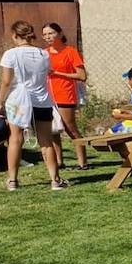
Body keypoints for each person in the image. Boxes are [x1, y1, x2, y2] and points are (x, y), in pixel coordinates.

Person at [0, 21, 65, 191]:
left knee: (15, 139)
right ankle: (55, 180)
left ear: (15, 35)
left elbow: (6, 81)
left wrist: (0, 102)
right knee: (46, 140)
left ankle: (12, 180)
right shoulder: (43, 54)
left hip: (18, 100)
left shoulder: (10, 54)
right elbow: (45, 74)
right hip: (41, 100)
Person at [43, 22, 91, 172]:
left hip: (65, 94)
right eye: (44, 34)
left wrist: (57, 74)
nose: (47, 37)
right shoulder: (44, 53)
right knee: (53, 129)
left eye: (50, 33)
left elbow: (82, 76)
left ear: (60, 33)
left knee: (70, 128)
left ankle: (82, 162)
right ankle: (58, 161)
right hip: (48, 95)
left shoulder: (70, 51)